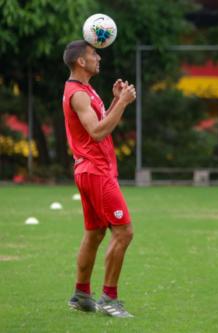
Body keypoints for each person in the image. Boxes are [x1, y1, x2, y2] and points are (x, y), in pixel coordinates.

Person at [62, 40, 136, 318]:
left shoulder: (84, 89)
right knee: (124, 232)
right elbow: (97, 132)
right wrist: (125, 103)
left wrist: (116, 99)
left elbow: (99, 122)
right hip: (96, 171)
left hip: (89, 169)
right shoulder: (78, 94)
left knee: (94, 234)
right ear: (81, 61)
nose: (98, 58)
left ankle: (81, 295)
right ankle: (109, 298)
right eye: (94, 54)